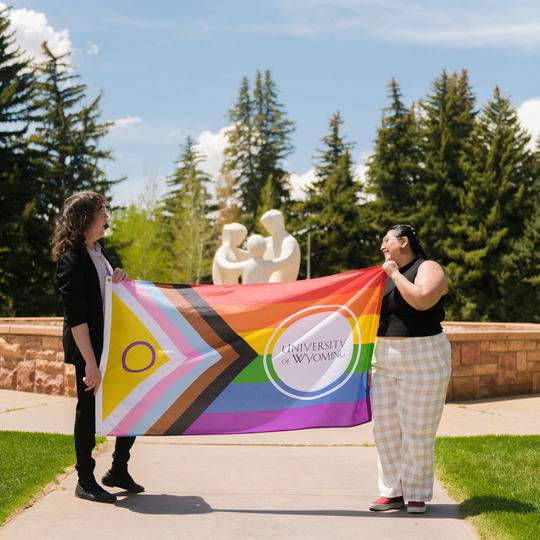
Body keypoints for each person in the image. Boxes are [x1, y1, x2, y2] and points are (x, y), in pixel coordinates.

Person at [52, 191, 144, 503]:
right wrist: (91, 364)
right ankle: (85, 479)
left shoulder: (100, 253)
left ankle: (118, 469)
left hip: (111, 345)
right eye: (101, 213)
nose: (106, 217)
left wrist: (119, 278)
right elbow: (76, 319)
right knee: (88, 410)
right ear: (85, 220)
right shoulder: (72, 262)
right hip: (89, 348)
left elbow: (108, 299)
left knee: (132, 403)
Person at [368, 224, 451, 514]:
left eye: (386, 241)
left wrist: (393, 273)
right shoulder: (381, 275)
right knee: (386, 430)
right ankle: (391, 492)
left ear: (404, 242)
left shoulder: (428, 267)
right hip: (383, 358)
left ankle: (416, 494)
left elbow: (423, 300)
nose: (382, 247)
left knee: (416, 429)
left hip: (424, 357)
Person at [260, 209, 300, 282]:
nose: (267, 227)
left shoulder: (289, 241)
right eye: (265, 225)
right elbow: (252, 254)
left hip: (282, 284)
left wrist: (263, 265)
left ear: (278, 222)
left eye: (269, 223)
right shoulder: (266, 241)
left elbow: (285, 261)